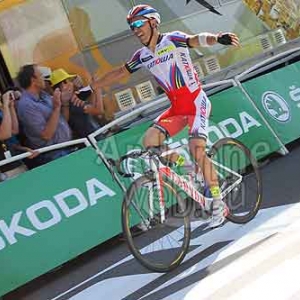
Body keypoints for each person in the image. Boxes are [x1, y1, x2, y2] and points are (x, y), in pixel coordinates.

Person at [93, 4, 240, 228]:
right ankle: (188, 167)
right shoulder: (142, 55)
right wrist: (93, 86)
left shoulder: (173, 39)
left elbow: (196, 39)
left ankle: (218, 203)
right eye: (132, 27)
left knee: (197, 149)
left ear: (153, 22)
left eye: (139, 24)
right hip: (177, 110)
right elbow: (121, 72)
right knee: (150, 141)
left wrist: (218, 37)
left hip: (195, 102)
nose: (135, 29)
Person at [16, 64, 72, 166]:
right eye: (41, 75)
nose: (45, 78)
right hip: (53, 155)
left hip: (67, 147)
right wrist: (56, 107)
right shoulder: (26, 105)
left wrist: (65, 103)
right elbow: (46, 135)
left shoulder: (44, 95)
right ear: (33, 80)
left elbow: (62, 121)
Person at [50, 68, 104, 138]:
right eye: (70, 80)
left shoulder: (61, 103)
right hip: (95, 139)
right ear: (64, 85)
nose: (72, 83)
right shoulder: (73, 102)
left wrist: (91, 87)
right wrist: (98, 86)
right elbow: (99, 111)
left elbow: (91, 107)